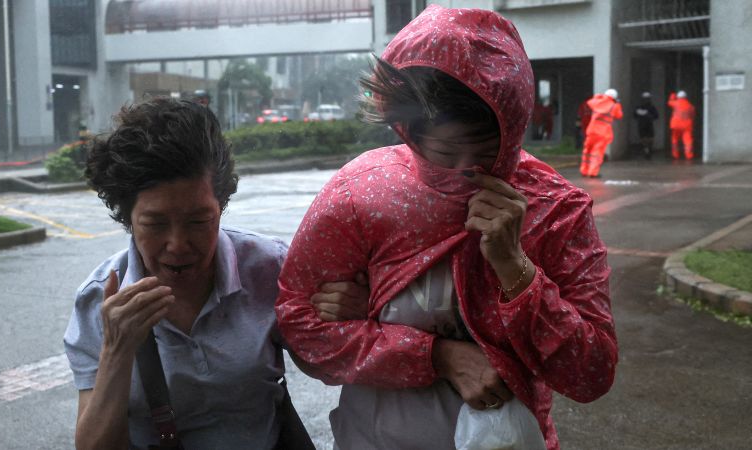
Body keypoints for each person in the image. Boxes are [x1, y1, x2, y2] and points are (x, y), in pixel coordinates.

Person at [276, 5, 618, 450]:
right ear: (409, 132)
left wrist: (516, 270)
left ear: (513, 133)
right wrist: (435, 355)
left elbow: (590, 372)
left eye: (486, 153)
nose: (464, 173)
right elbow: (301, 330)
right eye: (444, 152)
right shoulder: (361, 193)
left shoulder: (556, 211)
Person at [63, 97, 368, 449]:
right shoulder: (99, 300)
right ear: (127, 217)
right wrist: (116, 350)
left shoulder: (270, 268)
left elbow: (326, 369)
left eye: (198, 221)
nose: (178, 244)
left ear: (221, 206)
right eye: (155, 223)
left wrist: (347, 317)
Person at [580, 88, 623, 178]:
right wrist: (618, 103)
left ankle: (584, 170)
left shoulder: (598, 102)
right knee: (597, 152)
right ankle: (593, 172)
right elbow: (619, 115)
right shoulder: (614, 105)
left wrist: (598, 96)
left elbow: (589, 102)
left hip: (592, 130)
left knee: (587, 150)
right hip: (603, 132)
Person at [668, 90, 696, 160]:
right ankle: (689, 155)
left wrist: (672, 96)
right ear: (686, 97)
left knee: (675, 139)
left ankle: (675, 154)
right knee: (688, 140)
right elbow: (692, 116)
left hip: (676, 125)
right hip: (687, 126)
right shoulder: (690, 106)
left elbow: (669, 102)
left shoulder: (675, 103)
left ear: (678, 97)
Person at [633, 92, 659, 160]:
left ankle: (647, 149)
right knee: (646, 139)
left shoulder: (650, 107)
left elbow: (656, 116)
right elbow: (635, 115)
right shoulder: (649, 107)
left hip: (645, 124)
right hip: (645, 125)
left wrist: (647, 116)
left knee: (648, 139)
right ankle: (647, 150)